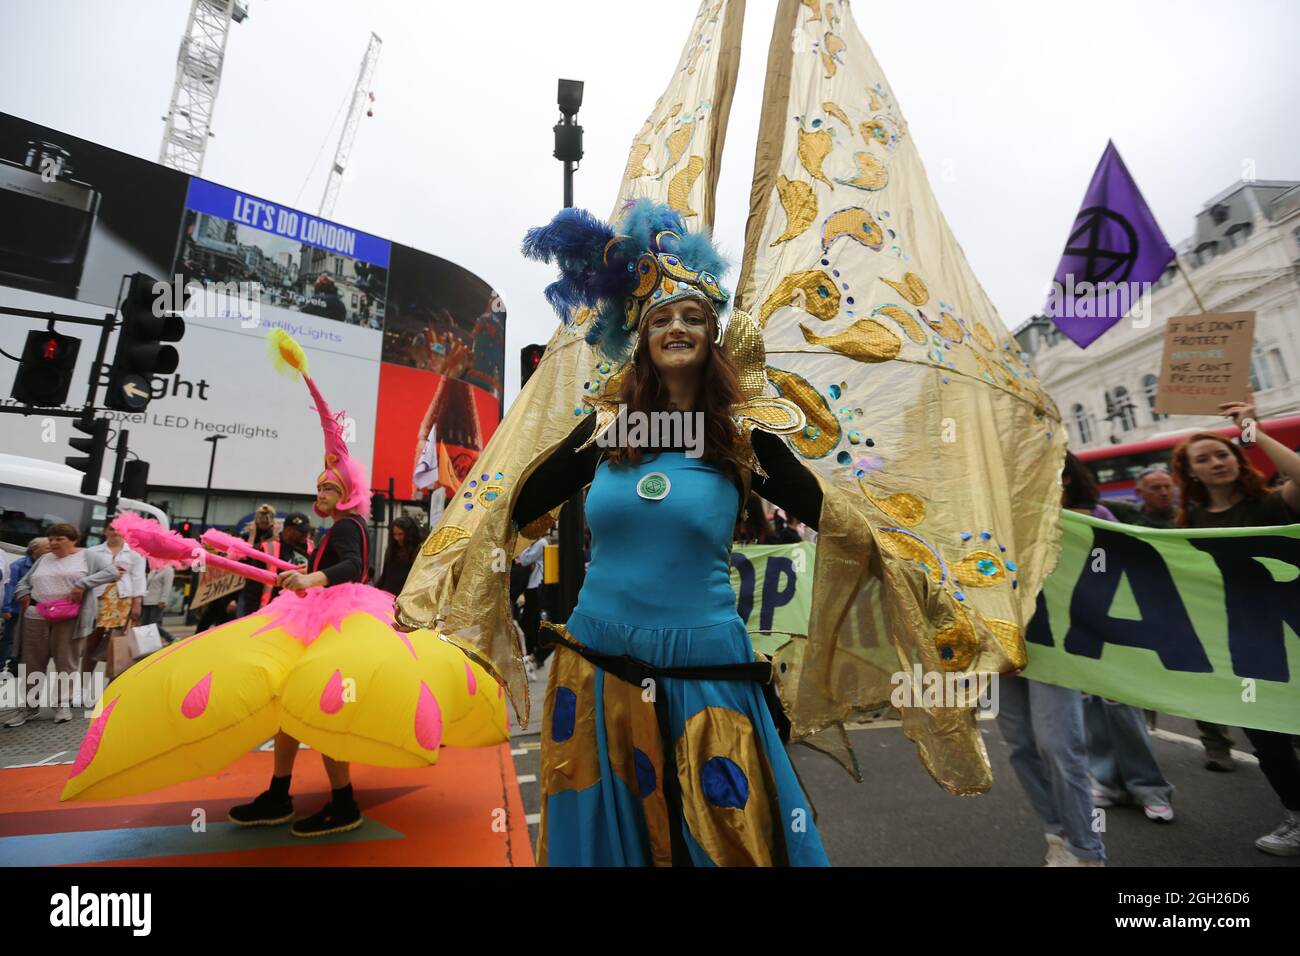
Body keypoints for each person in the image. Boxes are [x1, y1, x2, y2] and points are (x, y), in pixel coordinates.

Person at [498, 201, 828, 866]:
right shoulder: (607, 429)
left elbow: (831, 515)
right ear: (642, 337)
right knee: (605, 841)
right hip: (596, 662)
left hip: (704, 667)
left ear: (712, 335)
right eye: (661, 318)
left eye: (692, 317)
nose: (676, 326)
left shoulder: (741, 434)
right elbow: (515, 503)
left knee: (722, 836)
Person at [228, 334, 373, 838]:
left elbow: (353, 566)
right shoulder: (334, 528)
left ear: (347, 492)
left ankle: (343, 803)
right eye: (319, 487)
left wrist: (309, 576)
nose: (322, 492)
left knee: (319, 710)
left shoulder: (349, 526)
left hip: (334, 628)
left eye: (330, 486)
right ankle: (278, 793)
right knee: (291, 708)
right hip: (314, 623)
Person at [1172, 391, 1300, 857]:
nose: (1216, 462)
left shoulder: (1273, 503)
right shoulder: (1188, 522)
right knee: (1267, 736)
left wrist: (1253, 430)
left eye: (1223, 453)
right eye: (1204, 459)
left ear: (1237, 458)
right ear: (1191, 472)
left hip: (1293, 628)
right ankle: (1297, 816)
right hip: (1246, 641)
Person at [996, 452, 1110, 865]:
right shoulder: (996, 519)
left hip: (1058, 650)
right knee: (1021, 747)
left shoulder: (1094, 518)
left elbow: (1115, 584)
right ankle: (1056, 835)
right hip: (1004, 648)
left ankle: (1087, 850)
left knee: (1059, 748)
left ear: (1067, 477)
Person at [8, 524, 119, 726]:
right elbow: (24, 582)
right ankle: (29, 708)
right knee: (32, 662)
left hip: (70, 617)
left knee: (66, 661)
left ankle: (62, 705)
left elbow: (112, 572)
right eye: (51, 539)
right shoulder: (43, 559)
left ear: (73, 540)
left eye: (59, 539)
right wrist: (22, 593)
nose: (53, 543)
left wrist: (82, 584)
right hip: (36, 614)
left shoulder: (88, 556)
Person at [81, 520, 147, 686]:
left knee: (117, 645)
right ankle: (82, 684)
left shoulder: (135, 553)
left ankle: (112, 687)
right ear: (104, 531)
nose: (115, 532)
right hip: (98, 599)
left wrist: (137, 602)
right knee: (91, 642)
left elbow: (139, 578)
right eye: (111, 529)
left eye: (119, 529)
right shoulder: (92, 551)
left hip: (123, 601)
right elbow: (85, 575)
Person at [2, 537, 49, 673]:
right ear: (34, 550)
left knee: (26, 641)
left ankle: (16, 668)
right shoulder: (18, 565)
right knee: (10, 639)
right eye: (47, 548)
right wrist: (6, 608)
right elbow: (9, 587)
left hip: (35, 611)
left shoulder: (46, 564)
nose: (50, 550)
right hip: (16, 609)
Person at [1108, 468, 1175, 528]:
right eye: (1156, 488)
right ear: (1139, 492)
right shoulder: (1128, 512)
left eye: (1168, 487)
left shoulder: (1180, 518)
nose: (1164, 493)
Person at [376, 515, 420, 596]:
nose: (397, 538)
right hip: (387, 595)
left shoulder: (417, 551)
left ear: (409, 534)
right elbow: (385, 576)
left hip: (405, 596)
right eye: (394, 534)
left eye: (400, 534)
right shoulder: (391, 550)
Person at [139, 563, 176, 645]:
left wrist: (164, 599)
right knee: (144, 624)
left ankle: (170, 638)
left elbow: (167, 586)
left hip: (157, 601)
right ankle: (147, 644)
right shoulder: (153, 569)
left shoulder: (168, 569)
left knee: (153, 624)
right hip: (146, 600)